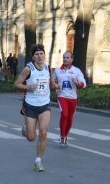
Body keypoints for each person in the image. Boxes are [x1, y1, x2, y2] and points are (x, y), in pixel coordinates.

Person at [13, 44, 57, 172]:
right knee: (31, 137)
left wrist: (57, 87)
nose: (39, 56)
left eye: (41, 54)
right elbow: (16, 84)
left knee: (43, 132)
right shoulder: (28, 69)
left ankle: (38, 161)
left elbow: (51, 85)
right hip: (31, 105)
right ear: (33, 57)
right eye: (37, 54)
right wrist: (28, 87)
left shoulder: (48, 68)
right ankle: (26, 128)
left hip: (44, 104)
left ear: (44, 55)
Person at [53, 51, 86, 147]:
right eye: (64, 57)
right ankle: (62, 136)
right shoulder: (57, 71)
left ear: (72, 59)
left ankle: (66, 135)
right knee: (64, 115)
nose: (65, 59)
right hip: (62, 96)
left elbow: (83, 84)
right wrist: (56, 87)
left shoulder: (76, 71)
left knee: (70, 118)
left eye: (67, 57)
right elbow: (52, 82)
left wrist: (77, 83)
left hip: (72, 97)